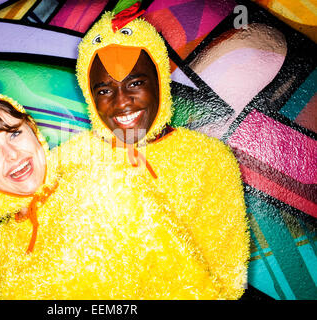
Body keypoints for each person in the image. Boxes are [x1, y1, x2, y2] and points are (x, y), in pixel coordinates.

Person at [0, 93, 223, 299]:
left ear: (32, 130)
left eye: (14, 133)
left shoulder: (107, 184)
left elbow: (185, 280)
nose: (12, 155)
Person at [59, 3, 249, 299]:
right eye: (105, 90)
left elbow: (228, 280)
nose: (122, 102)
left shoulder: (209, 160)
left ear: (160, 81)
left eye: (135, 83)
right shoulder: (71, 161)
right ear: (89, 96)